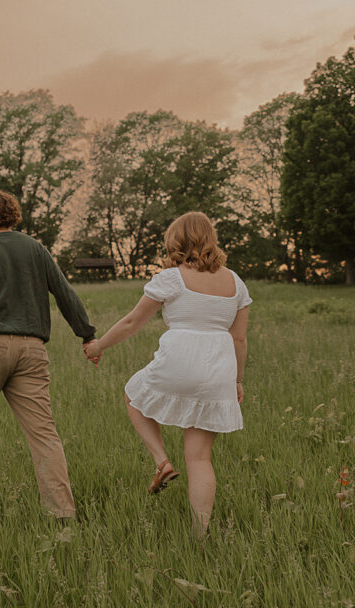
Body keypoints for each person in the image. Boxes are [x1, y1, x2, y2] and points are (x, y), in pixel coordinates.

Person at [83, 212, 251, 536]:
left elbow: (133, 322)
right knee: (200, 458)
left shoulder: (172, 277)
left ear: (176, 242)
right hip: (219, 367)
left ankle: (161, 462)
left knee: (134, 395)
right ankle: (200, 537)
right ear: (210, 239)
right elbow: (240, 338)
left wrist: (98, 345)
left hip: (180, 358)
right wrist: (238, 380)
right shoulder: (235, 283)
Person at [0, 189, 96, 519]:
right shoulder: (35, 248)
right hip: (32, 348)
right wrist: (86, 333)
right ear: (12, 214)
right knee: (44, 434)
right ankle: (62, 513)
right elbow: (64, 293)